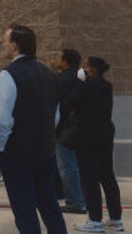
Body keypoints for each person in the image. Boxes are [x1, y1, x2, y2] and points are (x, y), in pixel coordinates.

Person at [0, 23, 68, 234]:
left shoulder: (9, 74)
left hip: (17, 153)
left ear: (15, 46)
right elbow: (55, 114)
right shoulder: (49, 74)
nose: (3, 45)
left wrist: (0, 147)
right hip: (45, 151)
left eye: (5, 41)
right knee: (49, 206)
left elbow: (2, 119)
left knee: (24, 210)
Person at [60, 56, 122, 232]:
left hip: (87, 135)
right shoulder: (106, 86)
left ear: (92, 69)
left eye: (85, 66)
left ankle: (95, 220)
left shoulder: (86, 85)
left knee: (89, 178)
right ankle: (116, 218)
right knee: (107, 176)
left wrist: (80, 82)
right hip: (105, 133)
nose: (82, 69)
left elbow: (68, 103)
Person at [55, 49, 87, 215]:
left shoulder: (62, 79)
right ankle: (84, 199)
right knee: (81, 166)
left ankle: (75, 202)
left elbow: (58, 105)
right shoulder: (84, 79)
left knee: (68, 167)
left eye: (59, 57)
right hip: (84, 128)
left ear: (65, 61)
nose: (57, 60)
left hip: (66, 129)